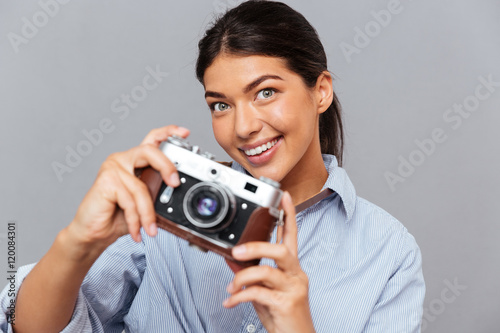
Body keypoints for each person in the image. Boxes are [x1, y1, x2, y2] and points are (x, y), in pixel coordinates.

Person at [0, 1, 425, 332]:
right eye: (221, 105)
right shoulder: (164, 210)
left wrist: (295, 325)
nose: (243, 127)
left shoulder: (388, 252)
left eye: (265, 93)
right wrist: (78, 241)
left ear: (321, 92)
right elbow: (32, 327)